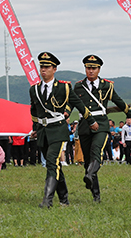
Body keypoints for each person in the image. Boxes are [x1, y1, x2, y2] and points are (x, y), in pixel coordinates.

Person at [30, 52, 89, 208]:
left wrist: (91, 121)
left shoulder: (64, 87)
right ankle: (64, 199)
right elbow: (34, 111)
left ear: (54, 69)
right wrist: (34, 128)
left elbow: (79, 104)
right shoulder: (34, 89)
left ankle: (47, 200)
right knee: (55, 166)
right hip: (42, 131)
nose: (43, 70)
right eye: (41, 67)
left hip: (58, 129)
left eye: (47, 67)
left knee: (51, 162)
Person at [73, 54, 130, 202]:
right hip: (85, 124)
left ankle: (90, 176)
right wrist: (65, 113)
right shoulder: (79, 86)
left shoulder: (106, 86)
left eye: (94, 68)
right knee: (88, 161)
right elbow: (72, 102)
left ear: (99, 69)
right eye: (88, 68)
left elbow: (118, 100)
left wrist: (129, 113)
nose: (90, 71)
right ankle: (95, 195)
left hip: (102, 124)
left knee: (96, 151)